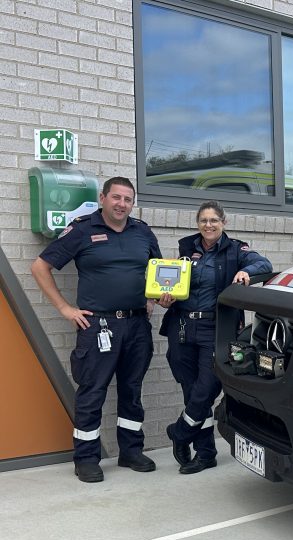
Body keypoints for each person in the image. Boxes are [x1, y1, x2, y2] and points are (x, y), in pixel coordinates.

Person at [31, 177, 162, 483]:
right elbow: (40, 267)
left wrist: (154, 296)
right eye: (116, 197)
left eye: (128, 199)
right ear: (103, 198)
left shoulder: (142, 231)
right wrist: (65, 308)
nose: (122, 204)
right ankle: (86, 458)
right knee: (92, 391)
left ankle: (131, 451)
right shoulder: (82, 229)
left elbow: (158, 269)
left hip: (136, 325)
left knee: (132, 390)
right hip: (98, 325)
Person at [158, 201, 272, 474]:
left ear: (224, 223)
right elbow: (173, 286)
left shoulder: (235, 251)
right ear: (198, 223)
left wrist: (247, 271)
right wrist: (166, 297)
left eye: (213, 220)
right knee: (191, 390)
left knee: (207, 387)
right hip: (183, 327)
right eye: (203, 220)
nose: (208, 225)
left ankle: (181, 431)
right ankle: (206, 453)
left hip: (216, 329)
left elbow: (263, 263)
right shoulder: (187, 250)